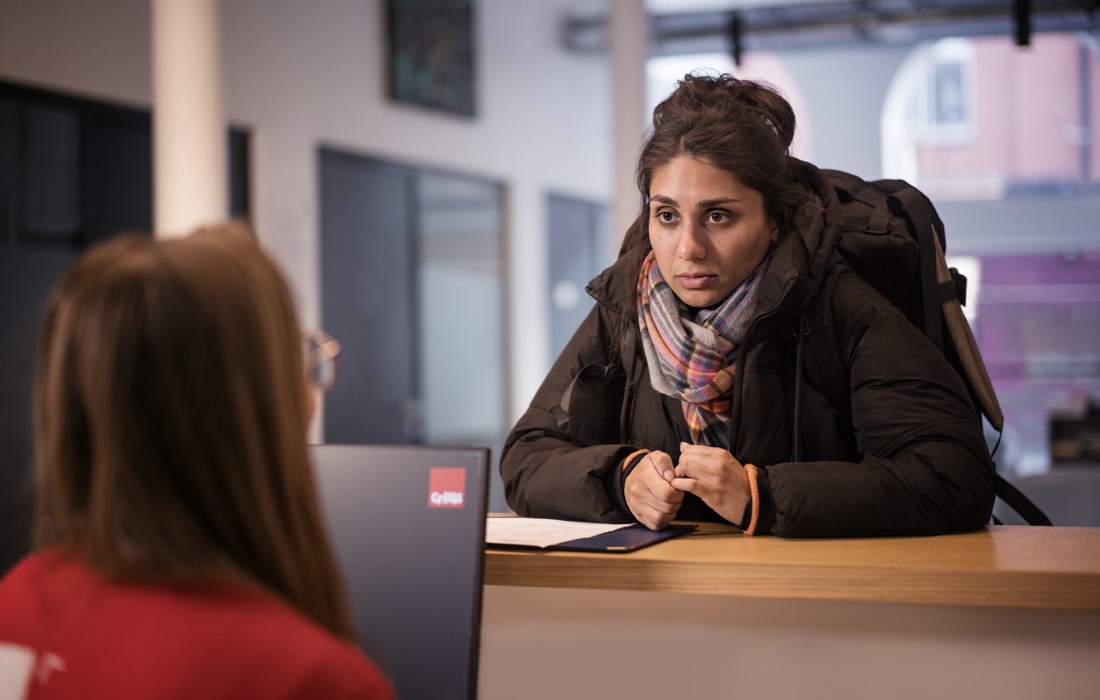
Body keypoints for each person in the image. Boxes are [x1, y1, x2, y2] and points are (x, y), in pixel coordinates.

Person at [501, 73, 995, 538]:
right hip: (676, 603)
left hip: (831, 605)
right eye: (667, 215)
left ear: (775, 220)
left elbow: (953, 478)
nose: (688, 248)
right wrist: (618, 479)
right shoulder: (627, 306)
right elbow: (526, 457)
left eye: (718, 216)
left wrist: (762, 496)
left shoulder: (845, 307)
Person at [0, 223, 394, 699]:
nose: (311, 397)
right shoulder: (307, 678)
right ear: (259, 411)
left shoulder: (18, 602)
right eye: (299, 365)